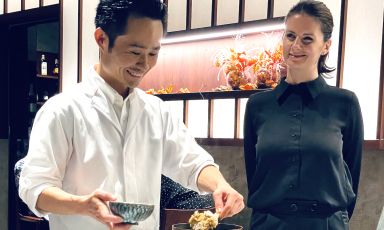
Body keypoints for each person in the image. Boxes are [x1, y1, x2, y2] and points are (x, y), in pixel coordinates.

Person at [18, 0, 244, 229]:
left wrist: (219, 185)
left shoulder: (156, 112)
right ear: (102, 39)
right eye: (135, 51)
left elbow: (192, 163)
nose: (144, 64)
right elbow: (34, 188)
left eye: (153, 52)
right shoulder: (63, 111)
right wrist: (82, 205)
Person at [243, 1, 363, 229]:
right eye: (290, 36)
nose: (295, 45)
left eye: (307, 39)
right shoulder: (257, 105)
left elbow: (351, 179)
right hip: (269, 224)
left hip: (327, 224)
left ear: (325, 46)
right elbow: (255, 176)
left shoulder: (345, 104)